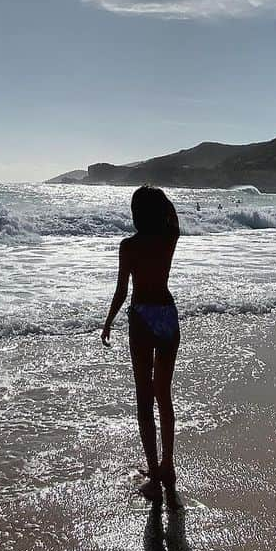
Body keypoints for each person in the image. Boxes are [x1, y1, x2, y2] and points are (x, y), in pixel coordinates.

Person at [101, 186, 181, 502]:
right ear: (160, 211)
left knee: (144, 398)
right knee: (164, 395)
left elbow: (122, 290)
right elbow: (174, 220)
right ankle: (168, 464)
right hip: (167, 314)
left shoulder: (128, 246)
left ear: (135, 214)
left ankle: (153, 475)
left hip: (142, 317)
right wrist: (163, 202)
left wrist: (108, 322)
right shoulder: (168, 239)